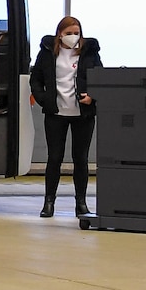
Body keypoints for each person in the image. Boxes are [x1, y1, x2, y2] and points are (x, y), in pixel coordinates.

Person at [30, 15, 101, 218]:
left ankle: (81, 203)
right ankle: (49, 202)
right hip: (56, 113)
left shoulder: (90, 52)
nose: (73, 37)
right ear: (59, 34)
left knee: (81, 159)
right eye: (68, 33)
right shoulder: (47, 53)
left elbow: (100, 77)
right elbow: (36, 80)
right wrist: (44, 99)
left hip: (83, 114)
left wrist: (92, 96)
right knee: (54, 158)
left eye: (76, 33)